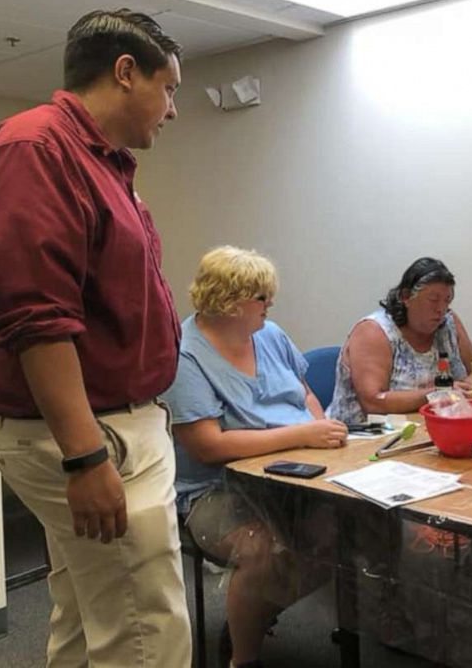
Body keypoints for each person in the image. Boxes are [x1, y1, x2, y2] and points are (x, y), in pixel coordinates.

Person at [0, 10, 190, 666]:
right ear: (125, 72)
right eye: (170, 88)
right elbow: (35, 316)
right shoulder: (35, 148)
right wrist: (86, 458)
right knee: (146, 635)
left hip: (114, 427)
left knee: (88, 620)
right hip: (94, 437)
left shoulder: (105, 163)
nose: (172, 110)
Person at [161, 246, 348, 668]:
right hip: (213, 490)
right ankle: (242, 658)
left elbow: (305, 395)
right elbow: (208, 445)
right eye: (261, 297)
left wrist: (327, 437)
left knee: (347, 535)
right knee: (260, 552)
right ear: (230, 301)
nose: (270, 305)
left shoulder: (269, 334)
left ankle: (254, 612)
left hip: (297, 473)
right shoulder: (185, 357)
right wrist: (303, 433)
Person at [327, 257, 472, 425]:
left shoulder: (449, 323)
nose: (441, 309)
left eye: (447, 300)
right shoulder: (374, 331)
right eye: (433, 300)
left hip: (431, 427)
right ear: (406, 297)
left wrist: (471, 387)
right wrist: (437, 394)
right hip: (364, 437)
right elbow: (373, 402)